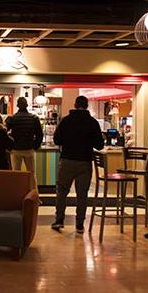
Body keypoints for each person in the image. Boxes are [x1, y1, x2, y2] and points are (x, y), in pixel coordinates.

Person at [52, 96, 104, 234]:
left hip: (67, 161)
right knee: (82, 194)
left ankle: (59, 220)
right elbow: (99, 145)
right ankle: (80, 224)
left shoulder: (66, 121)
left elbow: (56, 139)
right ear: (86, 106)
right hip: (84, 163)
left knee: (62, 191)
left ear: (75, 105)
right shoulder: (92, 123)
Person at [5, 97, 43, 190]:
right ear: (27, 105)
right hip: (29, 149)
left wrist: (10, 147)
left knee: (16, 174)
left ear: (17, 106)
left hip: (16, 150)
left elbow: (4, 133)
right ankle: (34, 197)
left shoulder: (12, 118)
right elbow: (39, 135)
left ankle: (16, 196)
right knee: (31, 175)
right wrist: (35, 146)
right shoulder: (34, 118)